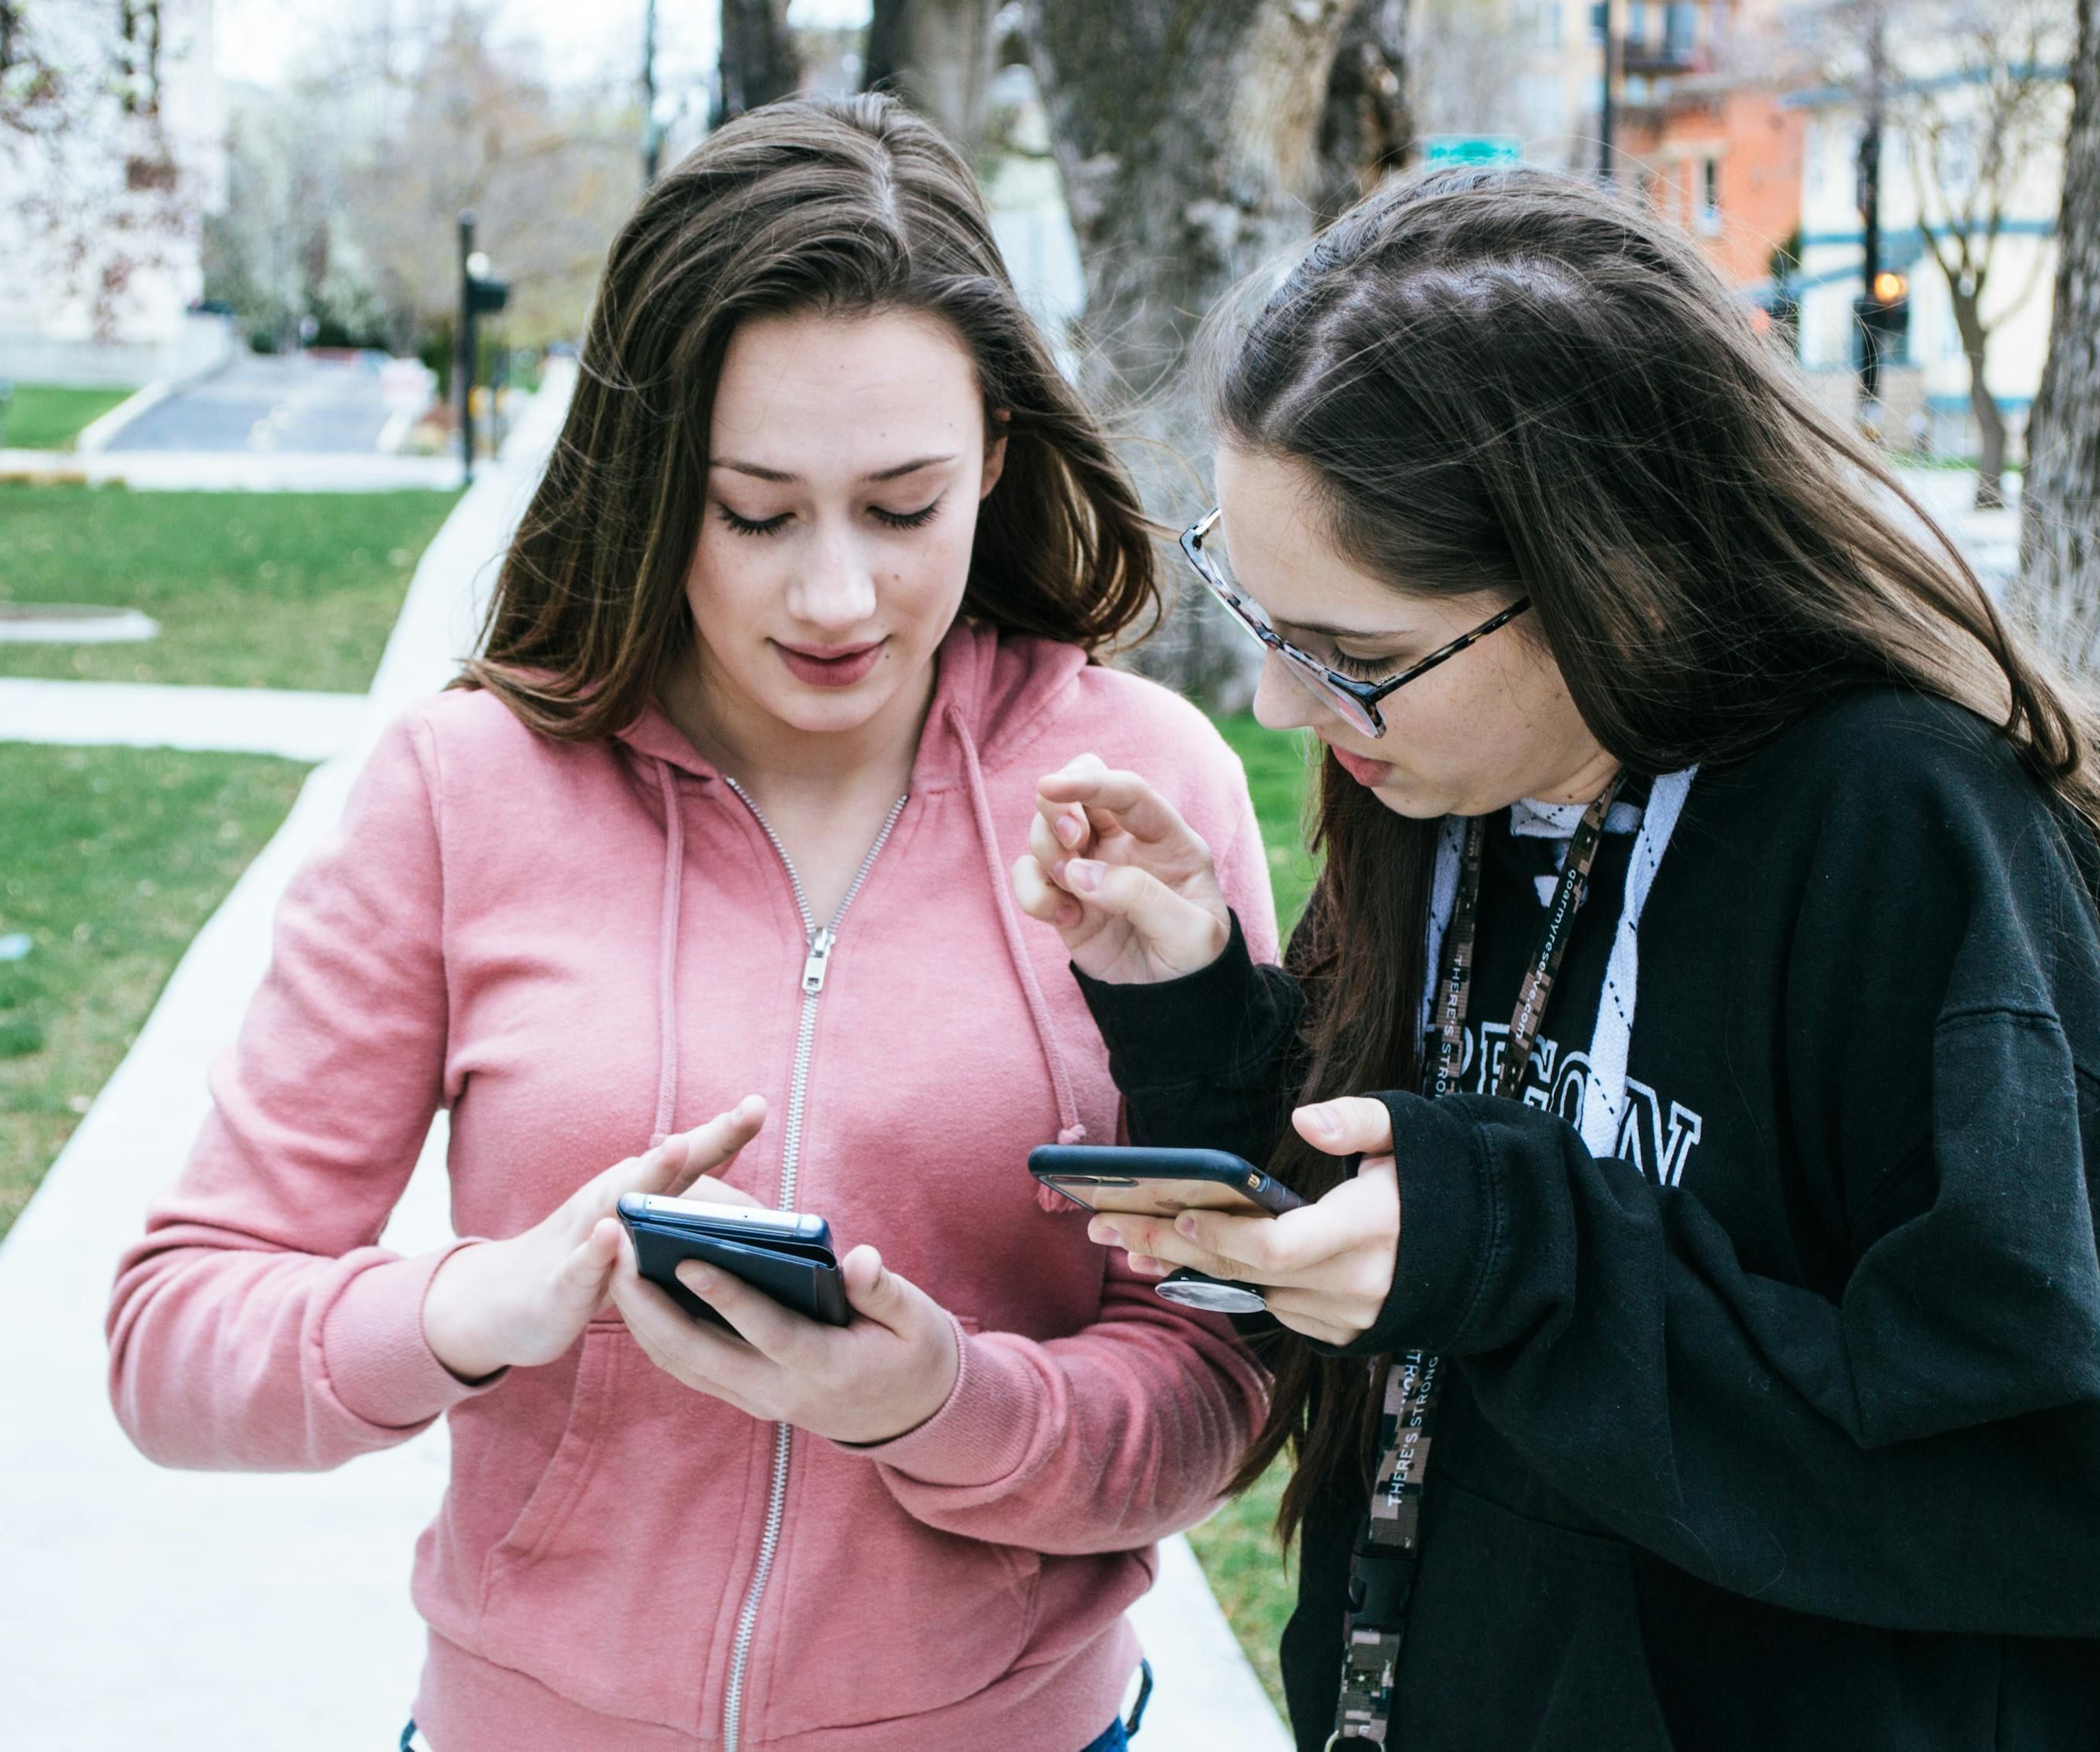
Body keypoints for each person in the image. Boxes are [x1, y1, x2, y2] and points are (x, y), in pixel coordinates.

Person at [1012, 167, 2100, 1751]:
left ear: (1598, 571)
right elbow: (1400, 1220)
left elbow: (2038, 1485)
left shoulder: (1906, 835)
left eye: (1351, 656)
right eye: (1260, 622)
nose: (1288, 711)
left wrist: (1513, 1247)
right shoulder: (1444, 782)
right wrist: (1199, 1011)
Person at [108, 96, 1277, 1752]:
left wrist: (942, 1405)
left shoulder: (1139, 790)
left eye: (901, 505)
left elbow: (1223, 1376)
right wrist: (468, 1311)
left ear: (997, 463)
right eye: (753, 511)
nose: (832, 597)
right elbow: (173, 1338)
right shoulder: (462, 787)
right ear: (656, 480)